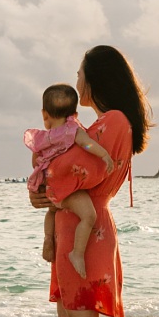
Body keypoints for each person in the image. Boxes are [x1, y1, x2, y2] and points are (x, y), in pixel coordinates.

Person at [30, 45, 150, 317]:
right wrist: (48, 194)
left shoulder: (112, 121)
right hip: (72, 221)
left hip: (88, 223)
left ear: (95, 79)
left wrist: (45, 186)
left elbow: (77, 169)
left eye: (80, 73)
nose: (76, 79)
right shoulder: (98, 124)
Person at [24, 83, 113, 275]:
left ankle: (48, 238)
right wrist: (104, 154)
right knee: (89, 216)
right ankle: (77, 253)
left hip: (49, 188)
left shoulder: (42, 138)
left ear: (44, 114)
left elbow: (35, 162)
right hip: (67, 189)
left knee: (52, 212)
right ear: (75, 114)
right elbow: (88, 144)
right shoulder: (72, 131)